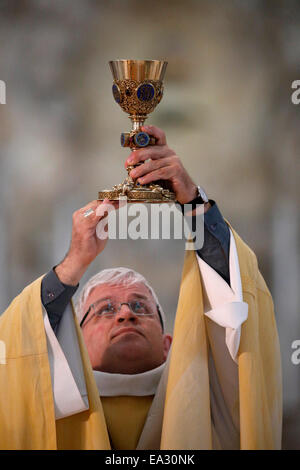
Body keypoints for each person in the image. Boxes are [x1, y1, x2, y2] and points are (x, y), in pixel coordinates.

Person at [0, 126, 282, 450]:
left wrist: (193, 203)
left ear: (168, 345)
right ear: (72, 346)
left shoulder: (209, 400)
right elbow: (20, 346)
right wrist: (73, 264)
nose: (124, 315)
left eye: (140, 307)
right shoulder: (48, 407)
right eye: (105, 309)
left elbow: (238, 308)